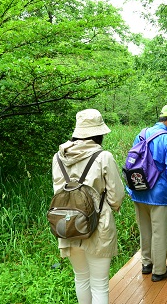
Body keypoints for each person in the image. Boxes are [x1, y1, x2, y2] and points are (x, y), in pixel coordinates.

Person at [52, 108, 125, 304]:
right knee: (100, 283)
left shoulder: (58, 157)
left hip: (68, 225)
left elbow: (58, 191)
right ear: (98, 133)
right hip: (98, 226)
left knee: (81, 277)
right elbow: (116, 196)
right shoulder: (103, 157)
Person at [127, 103, 167, 282]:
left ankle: (146, 264)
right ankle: (159, 270)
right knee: (160, 232)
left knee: (145, 229)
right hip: (160, 195)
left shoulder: (141, 134)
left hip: (138, 190)